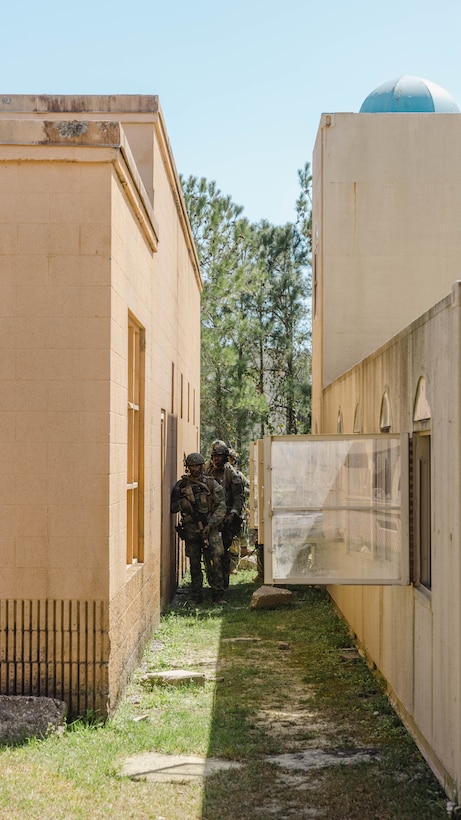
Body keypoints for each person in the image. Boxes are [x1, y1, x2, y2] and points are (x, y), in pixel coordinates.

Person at [170, 452, 227, 604]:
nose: (194, 469)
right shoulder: (181, 485)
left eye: (197, 466)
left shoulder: (211, 484)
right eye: (191, 466)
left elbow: (221, 506)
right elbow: (173, 508)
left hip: (210, 528)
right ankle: (196, 595)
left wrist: (211, 524)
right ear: (187, 467)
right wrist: (183, 503)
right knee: (194, 564)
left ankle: (218, 594)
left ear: (202, 466)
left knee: (215, 561)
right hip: (191, 531)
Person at [204, 440, 245, 588]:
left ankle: (223, 583)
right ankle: (213, 582)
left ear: (225, 457)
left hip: (227, 520)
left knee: (223, 553)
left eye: (219, 456)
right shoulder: (207, 471)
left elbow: (238, 499)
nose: (216, 459)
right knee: (209, 552)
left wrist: (232, 515)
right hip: (210, 518)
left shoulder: (232, 475)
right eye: (214, 456)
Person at [227, 449, 251, 573]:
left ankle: (232, 566)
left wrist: (240, 492)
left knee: (236, 538)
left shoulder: (238, 475)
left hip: (236, 512)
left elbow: (249, 490)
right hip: (220, 512)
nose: (229, 462)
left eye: (231, 459)